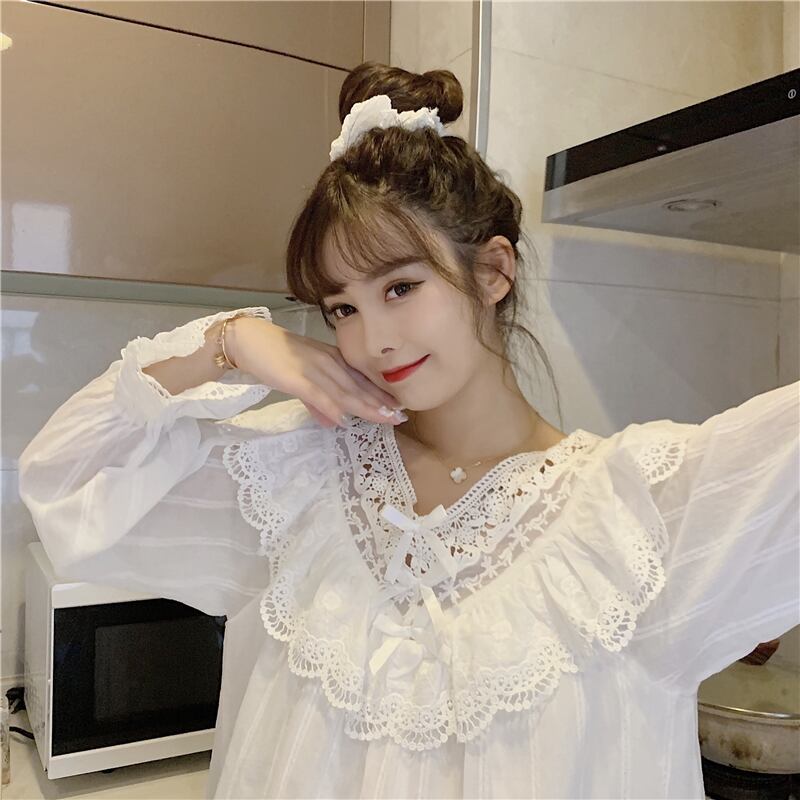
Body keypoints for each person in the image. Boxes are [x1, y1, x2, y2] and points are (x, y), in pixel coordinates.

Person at [17, 62, 800, 799]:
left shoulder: (640, 518)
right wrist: (231, 342)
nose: (372, 339)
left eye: (399, 287)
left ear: (493, 271)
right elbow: (66, 475)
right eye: (341, 308)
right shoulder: (294, 472)